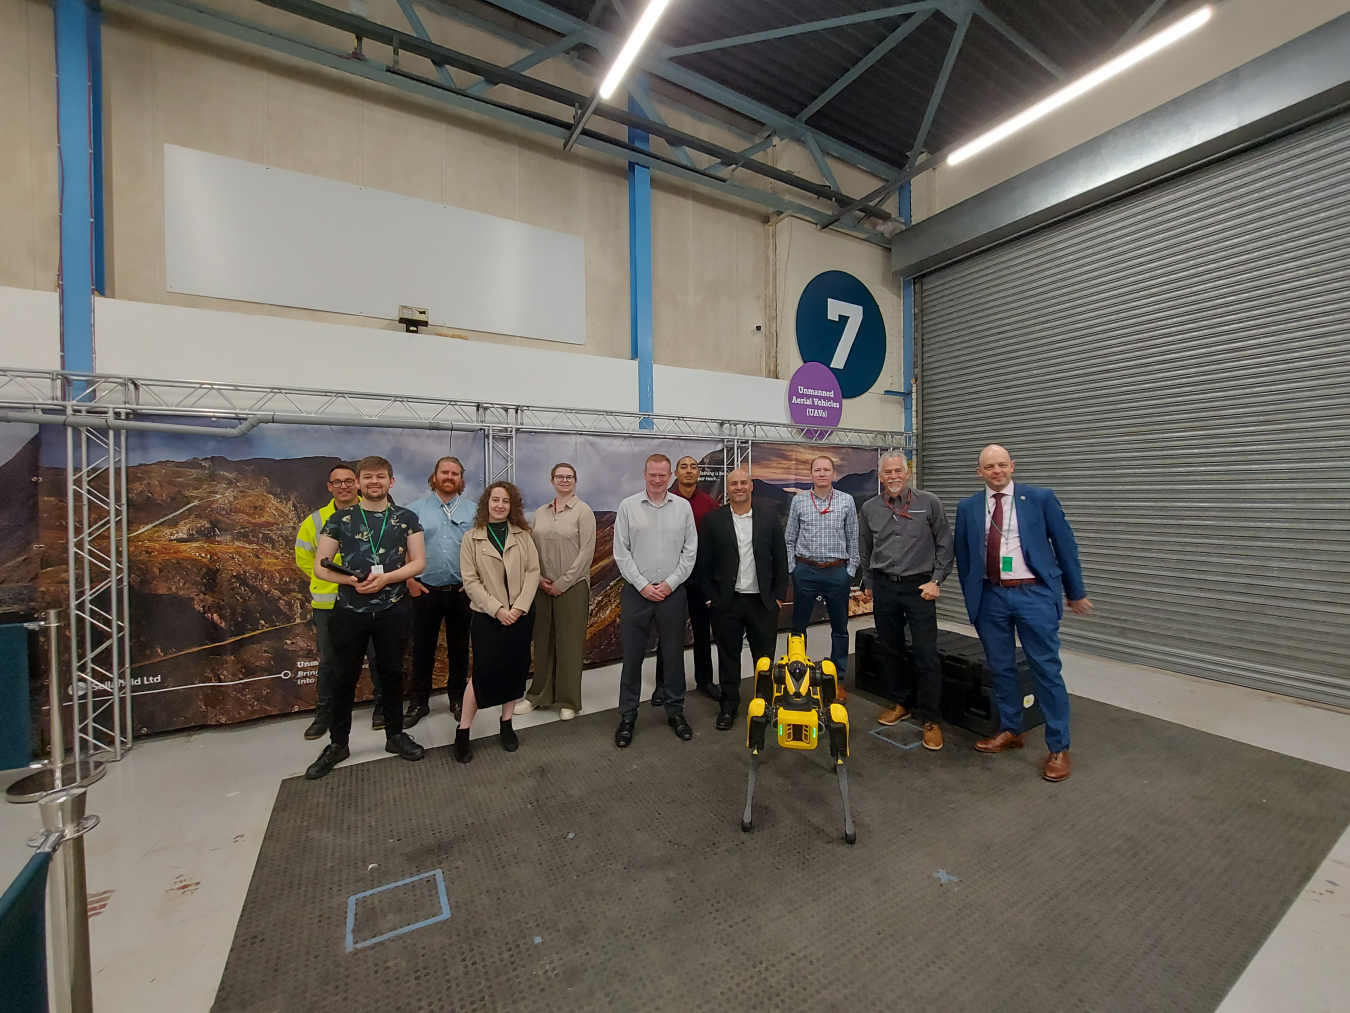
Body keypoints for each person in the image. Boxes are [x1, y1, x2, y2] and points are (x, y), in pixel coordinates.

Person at [954, 444, 1093, 783]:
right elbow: (963, 554)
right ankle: (1012, 729)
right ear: (979, 472)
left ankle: (1059, 746)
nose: (996, 471)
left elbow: (1065, 545)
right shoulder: (968, 507)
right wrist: (974, 595)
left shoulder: (1040, 498)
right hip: (991, 598)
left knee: (1045, 669)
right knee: (1001, 668)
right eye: (989, 466)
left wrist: (1075, 592)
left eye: (1002, 465)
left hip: (1033, 595)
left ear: (1012, 466)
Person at [307, 456, 428, 779]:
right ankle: (338, 744)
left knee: (391, 674)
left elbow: (418, 563)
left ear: (391, 481)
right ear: (359, 483)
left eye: (381, 477)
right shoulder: (339, 519)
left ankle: (395, 736)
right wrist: (350, 581)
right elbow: (321, 565)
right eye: (368, 477)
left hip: (393, 609)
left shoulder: (407, 518)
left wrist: (387, 579)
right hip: (349, 612)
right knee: (343, 678)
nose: (374, 482)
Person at [859, 452, 954, 751]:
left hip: (919, 587)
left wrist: (937, 580)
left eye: (898, 470)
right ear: (880, 477)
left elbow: (945, 544)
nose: (893, 476)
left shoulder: (930, 502)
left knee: (926, 652)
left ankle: (930, 718)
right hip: (885, 587)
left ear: (908, 472)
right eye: (887, 472)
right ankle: (901, 702)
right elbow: (865, 548)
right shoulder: (869, 508)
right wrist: (871, 585)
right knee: (891, 649)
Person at [612, 453, 699, 748]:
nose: (658, 480)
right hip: (637, 594)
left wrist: (671, 584)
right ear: (645, 474)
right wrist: (643, 585)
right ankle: (627, 717)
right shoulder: (628, 507)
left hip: (673, 595)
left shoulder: (683, 508)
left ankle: (675, 712)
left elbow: (690, 552)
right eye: (653, 475)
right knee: (633, 658)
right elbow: (621, 553)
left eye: (663, 475)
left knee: (674, 656)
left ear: (670, 475)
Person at [295, 462, 385, 740]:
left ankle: (383, 708)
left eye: (349, 481)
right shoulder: (315, 521)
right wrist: (336, 578)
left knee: (378, 658)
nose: (343, 486)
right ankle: (326, 712)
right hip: (330, 604)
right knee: (331, 661)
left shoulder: (376, 515)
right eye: (338, 482)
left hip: (368, 601)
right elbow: (304, 559)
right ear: (329, 487)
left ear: (357, 484)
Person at [454, 481, 541, 763]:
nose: (500, 505)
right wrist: (498, 610)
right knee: (481, 674)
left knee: (515, 671)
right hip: (488, 617)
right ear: (486, 504)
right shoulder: (471, 538)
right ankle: (463, 731)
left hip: (520, 615)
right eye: (495, 500)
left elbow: (533, 572)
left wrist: (518, 608)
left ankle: (506, 725)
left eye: (506, 501)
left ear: (512, 505)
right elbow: (470, 581)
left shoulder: (523, 536)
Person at [695, 468, 788, 731]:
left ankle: (765, 704)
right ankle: (729, 705)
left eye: (743, 483)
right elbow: (704, 563)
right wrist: (711, 599)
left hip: (762, 601)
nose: (739, 487)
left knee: (764, 658)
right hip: (727, 602)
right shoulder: (714, 520)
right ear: (728, 488)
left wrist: (779, 597)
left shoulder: (769, 518)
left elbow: (780, 560)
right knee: (728, 657)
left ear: (751, 486)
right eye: (733, 483)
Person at [518, 463, 596, 721]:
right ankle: (538, 695)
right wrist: (540, 580)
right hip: (541, 587)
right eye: (559, 476)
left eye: (569, 476)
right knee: (542, 643)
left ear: (575, 480)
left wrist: (562, 583)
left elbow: (586, 553)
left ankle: (568, 700)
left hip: (571, 589)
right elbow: (530, 547)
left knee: (569, 645)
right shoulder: (540, 512)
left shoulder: (583, 512)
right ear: (552, 480)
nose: (564, 480)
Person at [404, 456, 474, 728]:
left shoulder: (473, 511)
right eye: (444, 472)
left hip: (461, 591)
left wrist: (474, 580)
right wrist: (409, 580)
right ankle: (419, 702)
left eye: (455, 473)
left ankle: (457, 698)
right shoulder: (414, 511)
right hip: (424, 591)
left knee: (459, 649)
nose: (449, 477)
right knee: (422, 649)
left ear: (461, 479)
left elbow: (482, 548)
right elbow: (400, 549)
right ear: (434, 477)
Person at [785, 455, 860, 701]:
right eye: (817, 470)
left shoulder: (847, 501)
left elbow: (853, 540)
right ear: (811, 474)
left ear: (833, 473)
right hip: (805, 571)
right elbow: (789, 539)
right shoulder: (799, 501)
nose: (822, 473)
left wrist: (849, 572)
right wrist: (792, 570)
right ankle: (799, 677)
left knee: (839, 629)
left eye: (826, 469)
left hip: (837, 571)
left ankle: (836, 680)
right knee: (799, 628)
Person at [653, 455, 720, 705]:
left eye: (693, 467)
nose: (689, 471)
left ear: (699, 473)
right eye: (684, 467)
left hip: (701, 579)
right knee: (669, 634)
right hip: (672, 578)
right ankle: (663, 684)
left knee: (703, 632)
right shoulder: (665, 502)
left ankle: (704, 680)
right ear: (675, 474)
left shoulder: (711, 505)